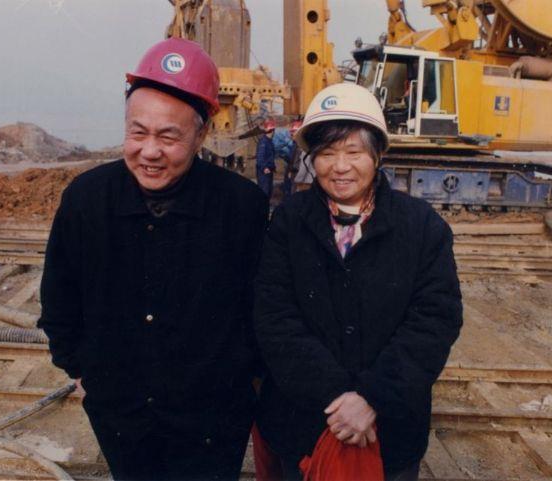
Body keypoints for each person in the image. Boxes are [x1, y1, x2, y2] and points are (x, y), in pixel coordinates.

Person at [39, 37, 269, 481]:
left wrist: (248, 380)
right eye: (137, 132)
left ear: (202, 134)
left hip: (214, 420)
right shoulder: (86, 200)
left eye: (168, 137)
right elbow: (59, 300)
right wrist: (82, 371)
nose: (149, 151)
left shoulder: (241, 206)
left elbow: (262, 308)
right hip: (120, 414)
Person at [253, 83, 463, 481]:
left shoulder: (421, 226)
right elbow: (274, 316)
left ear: (378, 154)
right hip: (302, 427)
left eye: (353, 152)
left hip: (389, 433)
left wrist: (372, 398)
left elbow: (434, 321)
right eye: (327, 153)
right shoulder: (289, 221)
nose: (340, 166)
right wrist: (338, 397)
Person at [255, 119, 276, 200]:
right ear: (272, 131)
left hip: (269, 170)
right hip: (264, 172)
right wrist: (264, 168)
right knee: (264, 192)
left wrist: (272, 167)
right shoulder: (264, 142)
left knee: (268, 192)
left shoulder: (269, 142)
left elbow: (270, 156)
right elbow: (260, 157)